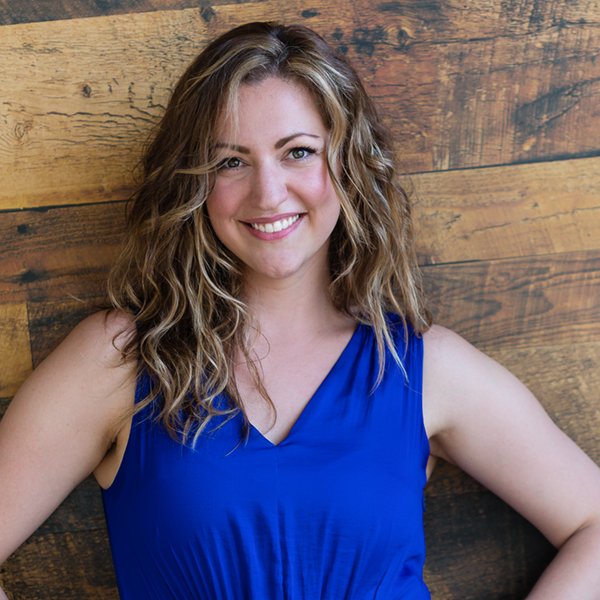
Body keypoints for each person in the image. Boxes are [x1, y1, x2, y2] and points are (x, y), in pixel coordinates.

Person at [1, 20, 599, 600]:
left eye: (298, 152)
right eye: (231, 161)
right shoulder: (122, 362)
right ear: (194, 183)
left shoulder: (420, 368)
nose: (269, 192)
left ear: (346, 165)